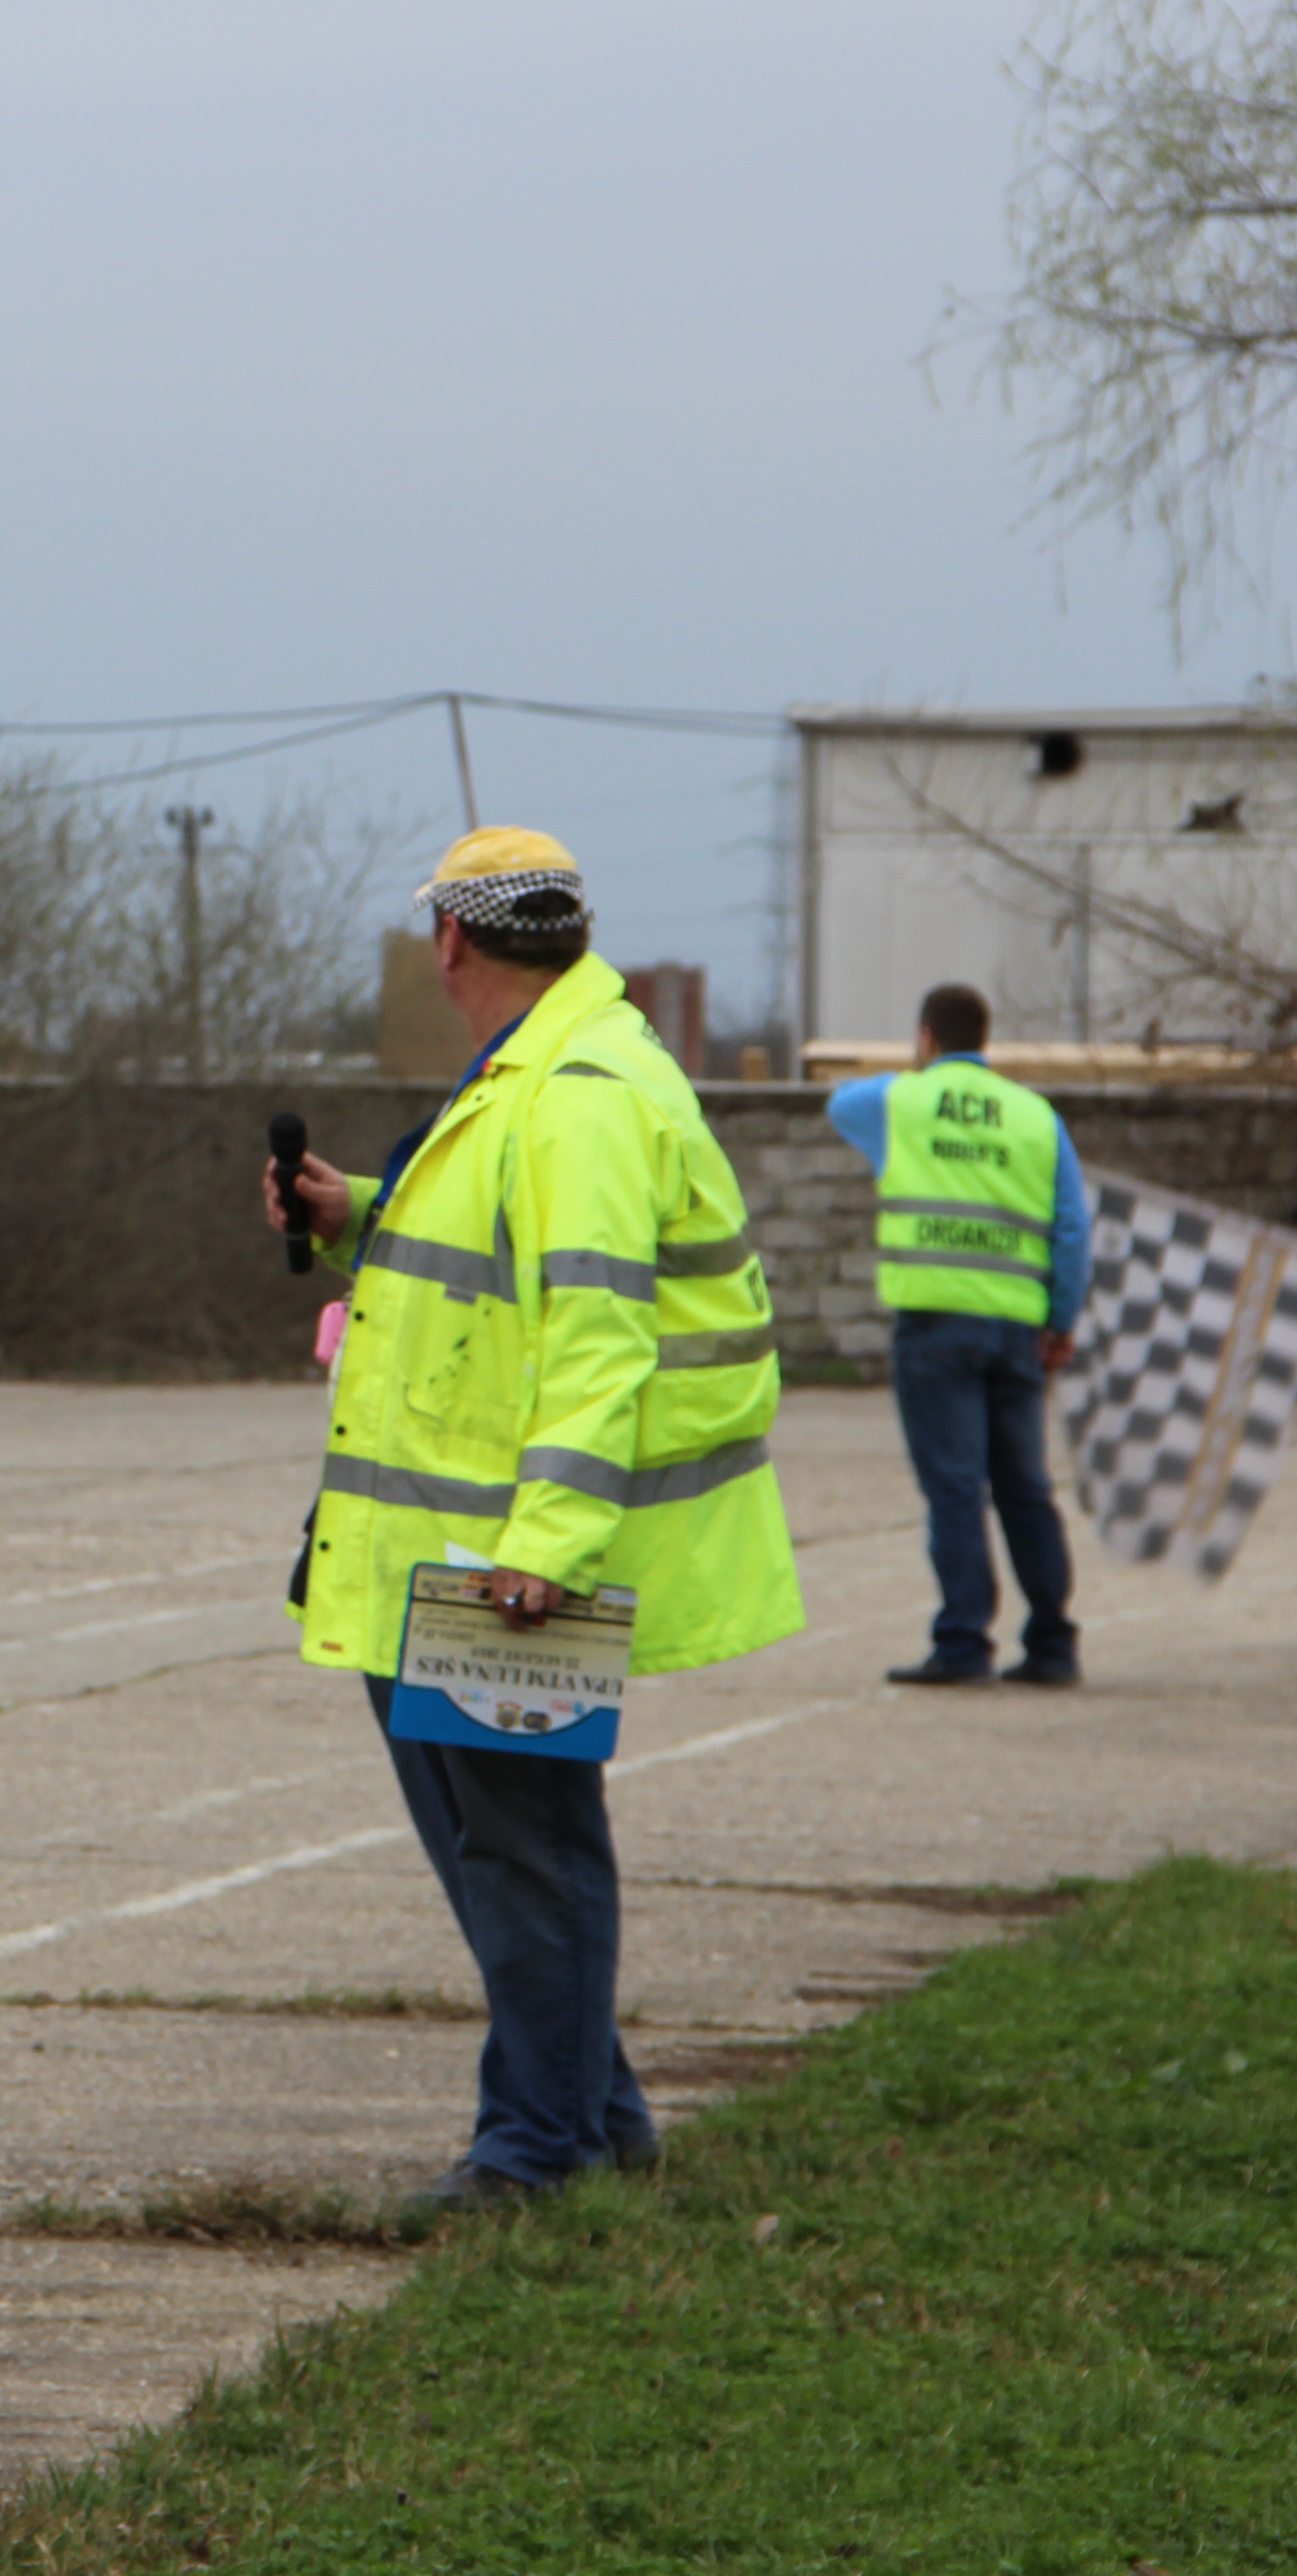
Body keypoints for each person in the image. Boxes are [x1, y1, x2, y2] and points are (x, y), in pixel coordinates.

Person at [264, 825, 804, 2206]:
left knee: (524, 1851)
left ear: (449, 939)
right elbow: (498, 1263)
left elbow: (597, 1337)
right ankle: (594, 2120)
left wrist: (544, 1552)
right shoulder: (545, 1070)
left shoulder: (575, 1095)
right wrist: (354, 1213)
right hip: (443, 1553)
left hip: (505, 1562)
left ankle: (534, 2153)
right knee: (499, 1853)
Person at [824, 985, 1092, 1688]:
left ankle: (964, 1642)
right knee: (1025, 1488)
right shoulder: (1035, 1116)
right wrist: (1062, 1320)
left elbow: (839, 1102)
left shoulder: (900, 1102)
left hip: (936, 1327)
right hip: (1017, 1327)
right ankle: (1054, 1643)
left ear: (926, 1038)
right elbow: (1072, 1228)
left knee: (955, 1488)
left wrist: (920, 1075)